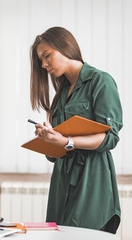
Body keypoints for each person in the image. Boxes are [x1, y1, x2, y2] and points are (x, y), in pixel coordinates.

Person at [29, 27, 123, 233]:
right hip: (61, 182)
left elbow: (110, 137)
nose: (44, 64)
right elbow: (56, 153)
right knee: (59, 234)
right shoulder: (62, 93)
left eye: (47, 56)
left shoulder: (100, 81)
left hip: (92, 180)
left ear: (66, 47)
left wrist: (67, 141)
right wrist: (49, 139)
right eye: (41, 61)